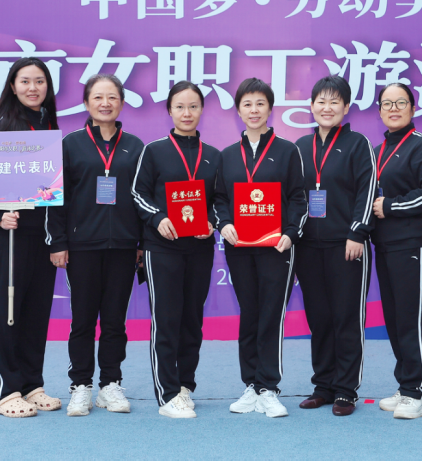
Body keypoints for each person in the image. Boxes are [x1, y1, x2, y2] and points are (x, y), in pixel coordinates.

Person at [47, 74, 144, 417]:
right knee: (83, 320)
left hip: (123, 246)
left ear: (122, 103)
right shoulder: (70, 144)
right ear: (87, 102)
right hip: (82, 246)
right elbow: (56, 198)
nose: (105, 103)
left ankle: (110, 384)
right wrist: (58, 242)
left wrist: (141, 243)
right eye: (98, 97)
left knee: (115, 321)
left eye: (112, 97)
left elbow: (143, 199)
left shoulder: (135, 146)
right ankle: (80, 385)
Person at [214, 78, 308, 418]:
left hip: (276, 247)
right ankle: (251, 385)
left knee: (270, 314)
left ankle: (268, 387)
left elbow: (298, 197)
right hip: (239, 247)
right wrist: (224, 223)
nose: (253, 110)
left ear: (270, 108)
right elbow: (219, 199)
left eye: (260, 104)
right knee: (249, 313)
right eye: (247, 104)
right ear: (238, 110)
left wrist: (291, 233)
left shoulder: (287, 151)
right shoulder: (227, 155)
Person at [132, 81, 220, 419]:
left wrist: (212, 221)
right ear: (169, 110)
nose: (187, 113)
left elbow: (221, 200)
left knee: (192, 320)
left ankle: (185, 385)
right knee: (166, 319)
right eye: (180, 106)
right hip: (162, 247)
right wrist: (158, 218)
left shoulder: (213, 155)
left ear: (202, 110)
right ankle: (167, 394)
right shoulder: (153, 151)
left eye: (193, 106)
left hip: (200, 247)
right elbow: (138, 194)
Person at [294, 75, 376, 416]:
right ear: (311, 106)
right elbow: (291, 195)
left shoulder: (358, 144)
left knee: (346, 318)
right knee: (319, 318)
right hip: (308, 247)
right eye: (321, 101)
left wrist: (357, 233)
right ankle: (323, 386)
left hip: (346, 245)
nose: (327, 108)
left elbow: (368, 190)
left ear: (346, 107)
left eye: (334, 102)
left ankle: (346, 390)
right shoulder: (300, 146)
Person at [0, 57, 61, 417]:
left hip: (41, 236)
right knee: (7, 312)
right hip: (11, 236)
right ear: (13, 86)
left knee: (35, 312)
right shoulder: (3, 123)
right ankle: (4, 391)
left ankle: (31, 385)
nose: (33, 88)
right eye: (25, 81)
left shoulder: (48, 123)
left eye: (40, 81)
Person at [370, 83, 422, 419]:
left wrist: (391, 206)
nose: (394, 109)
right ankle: (404, 385)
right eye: (387, 104)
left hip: (415, 244)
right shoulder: (377, 149)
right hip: (385, 245)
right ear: (379, 111)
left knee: (412, 318)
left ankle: (416, 392)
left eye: (401, 102)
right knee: (395, 319)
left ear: (413, 108)